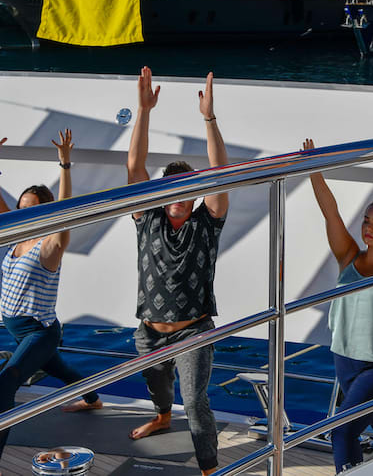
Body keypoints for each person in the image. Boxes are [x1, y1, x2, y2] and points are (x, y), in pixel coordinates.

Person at [0, 123, 102, 476]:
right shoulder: (17, 236)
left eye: (31, 209)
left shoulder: (50, 245)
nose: (22, 214)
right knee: (59, 369)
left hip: (39, 330)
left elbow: (65, 213)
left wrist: (65, 166)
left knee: (6, 382)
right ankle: (94, 399)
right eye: (20, 208)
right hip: (21, 332)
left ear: (46, 212)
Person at [126, 67, 228, 476]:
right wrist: (144, 110)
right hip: (149, 330)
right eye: (173, 190)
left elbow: (222, 175)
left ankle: (208, 469)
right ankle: (161, 416)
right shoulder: (146, 217)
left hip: (192, 329)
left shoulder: (208, 221)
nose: (180, 198)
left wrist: (209, 118)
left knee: (196, 401)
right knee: (158, 387)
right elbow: (135, 166)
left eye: (188, 190)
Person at [301, 138, 373, 473]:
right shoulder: (349, 257)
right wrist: (314, 171)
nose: (368, 227)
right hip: (344, 360)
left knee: (343, 429)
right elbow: (330, 212)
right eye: (367, 220)